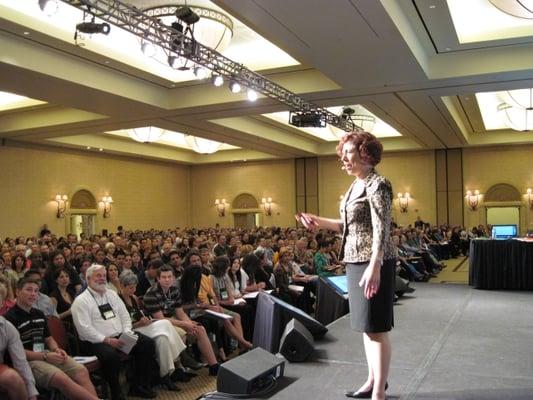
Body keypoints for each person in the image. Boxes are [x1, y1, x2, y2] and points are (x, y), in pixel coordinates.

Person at [296, 131, 396, 400]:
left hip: (374, 261)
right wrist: (318, 220)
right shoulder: (354, 187)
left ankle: (379, 393)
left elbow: (382, 229)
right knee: (366, 326)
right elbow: (345, 227)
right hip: (354, 260)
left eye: (348, 153)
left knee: (376, 327)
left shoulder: (378, 185)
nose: (344, 159)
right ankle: (372, 381)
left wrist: (375, 266)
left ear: (366, 154)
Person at [71, 264, 158, 400]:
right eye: (98, 276)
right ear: (88, 279)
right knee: (111, 356)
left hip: (120, 336)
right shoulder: (81, 301)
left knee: (147, 343)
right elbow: (84, 329)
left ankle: (138, 386)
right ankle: (116, 393)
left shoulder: (111, 294)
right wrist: (107, 340)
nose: (102, 279)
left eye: (103, 276)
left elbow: (125, 316)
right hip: (95, 342)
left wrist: (126, 333)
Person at [5, 278, 98, 400]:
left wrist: (56, 349)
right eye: (29, 290)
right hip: (28, 361)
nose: (33, 294)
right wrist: (44, 356)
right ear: (17, 292)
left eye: (36, 291)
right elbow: (16, 353)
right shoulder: (9, 318)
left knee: (81, 371)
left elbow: (49, 339)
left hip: (47, 354)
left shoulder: (39, 313)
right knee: (61, 378)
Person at [0, 285, 38, 400]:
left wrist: (32, 394)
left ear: (2, 303)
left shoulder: (7, 327)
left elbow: (21, 362)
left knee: (13, 378)